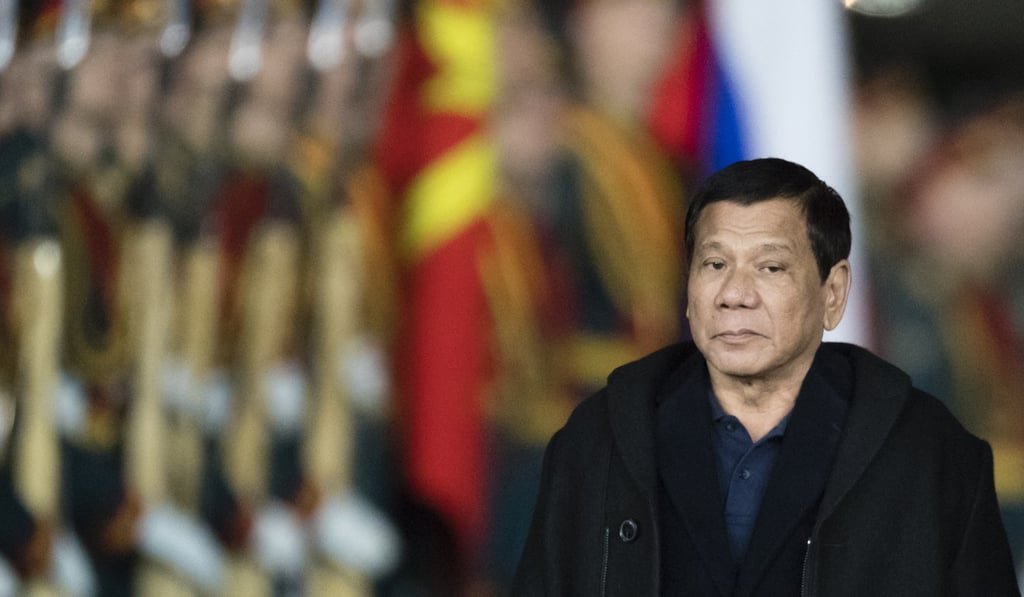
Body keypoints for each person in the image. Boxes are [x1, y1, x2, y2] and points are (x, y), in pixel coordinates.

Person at [512, 157, 1021, 596]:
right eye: (714, 264)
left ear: (833, 292)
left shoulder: (931, 456)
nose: (735, 293)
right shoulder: (597, 441)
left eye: (770, 268)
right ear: (687, 288)